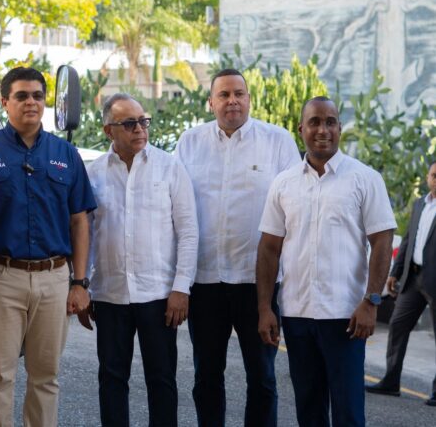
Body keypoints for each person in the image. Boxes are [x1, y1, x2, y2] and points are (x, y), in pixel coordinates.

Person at [0, 66, 96, 427]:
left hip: (54, 278)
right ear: (4, 102)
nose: (30, 102)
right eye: (21, 96)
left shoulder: (67, 155)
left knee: (46, 376)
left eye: (37, 96)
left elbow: (80, 221)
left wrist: (79, 282)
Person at [256, 96, 396, 426]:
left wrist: (372, 301)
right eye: (316, 122)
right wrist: (265, 308)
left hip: (345, 317)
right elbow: (268, 249)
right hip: (297, 315)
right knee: (309, 409)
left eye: (331, 122)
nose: (323, 130)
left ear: (339, 128)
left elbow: (382, 241)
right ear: (301, 128)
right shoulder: (284, 183)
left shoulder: (365, 179)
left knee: (348, 412)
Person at [174, 68, 300, 426]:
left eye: (239, 94)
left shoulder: (277, 141)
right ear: (211, 101)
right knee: (206, 377)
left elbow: (293, 210)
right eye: (224, 95)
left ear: (249, 98)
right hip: (206, 280)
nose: (233, 101)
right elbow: (178, 211)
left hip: (257, 285)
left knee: (262, 378)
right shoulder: (189, 142)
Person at [80, 93, 199, 426]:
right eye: (129, 123)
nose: (139, 129)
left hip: (159, 296)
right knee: (112, 379)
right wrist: (84, 285)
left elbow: (188, 232)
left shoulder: (170, 167)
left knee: (162, 381)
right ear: (109, 131)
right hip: (110, 295)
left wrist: (181, 288)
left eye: (143, 121)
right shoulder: (93, 174)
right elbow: (85, 235)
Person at [366, 162, 436, 406]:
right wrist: (395, 272)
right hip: (413, 278)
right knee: (397, 325)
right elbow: (408, 240)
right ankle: (391, 381)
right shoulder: (420, 204)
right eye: (434, 176)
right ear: (427, 177)